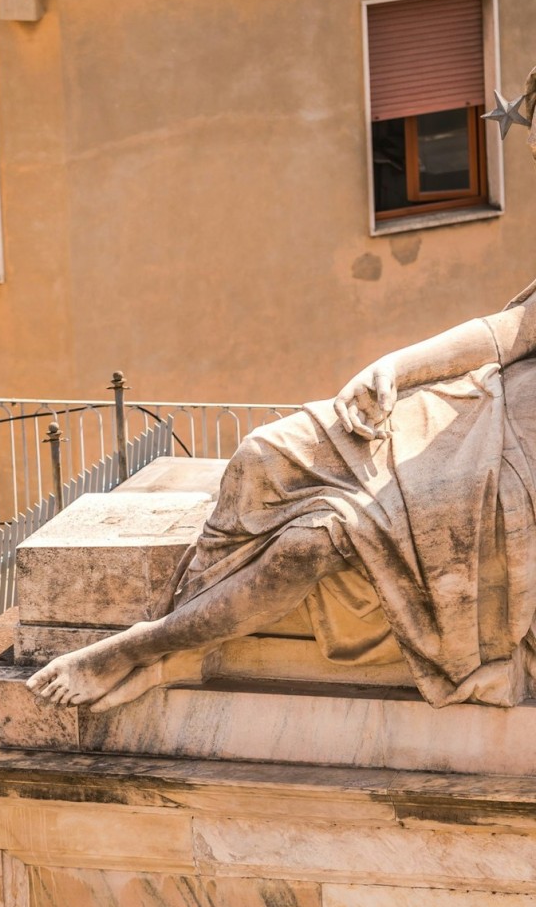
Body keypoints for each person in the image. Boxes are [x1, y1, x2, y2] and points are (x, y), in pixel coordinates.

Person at [28, 277, 536, 712]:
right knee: (264, 453)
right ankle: (186, 627)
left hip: (514, 476)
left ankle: (145, 646)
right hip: (474, 408)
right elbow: (509, 332)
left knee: (315, 541)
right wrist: (394, 367)